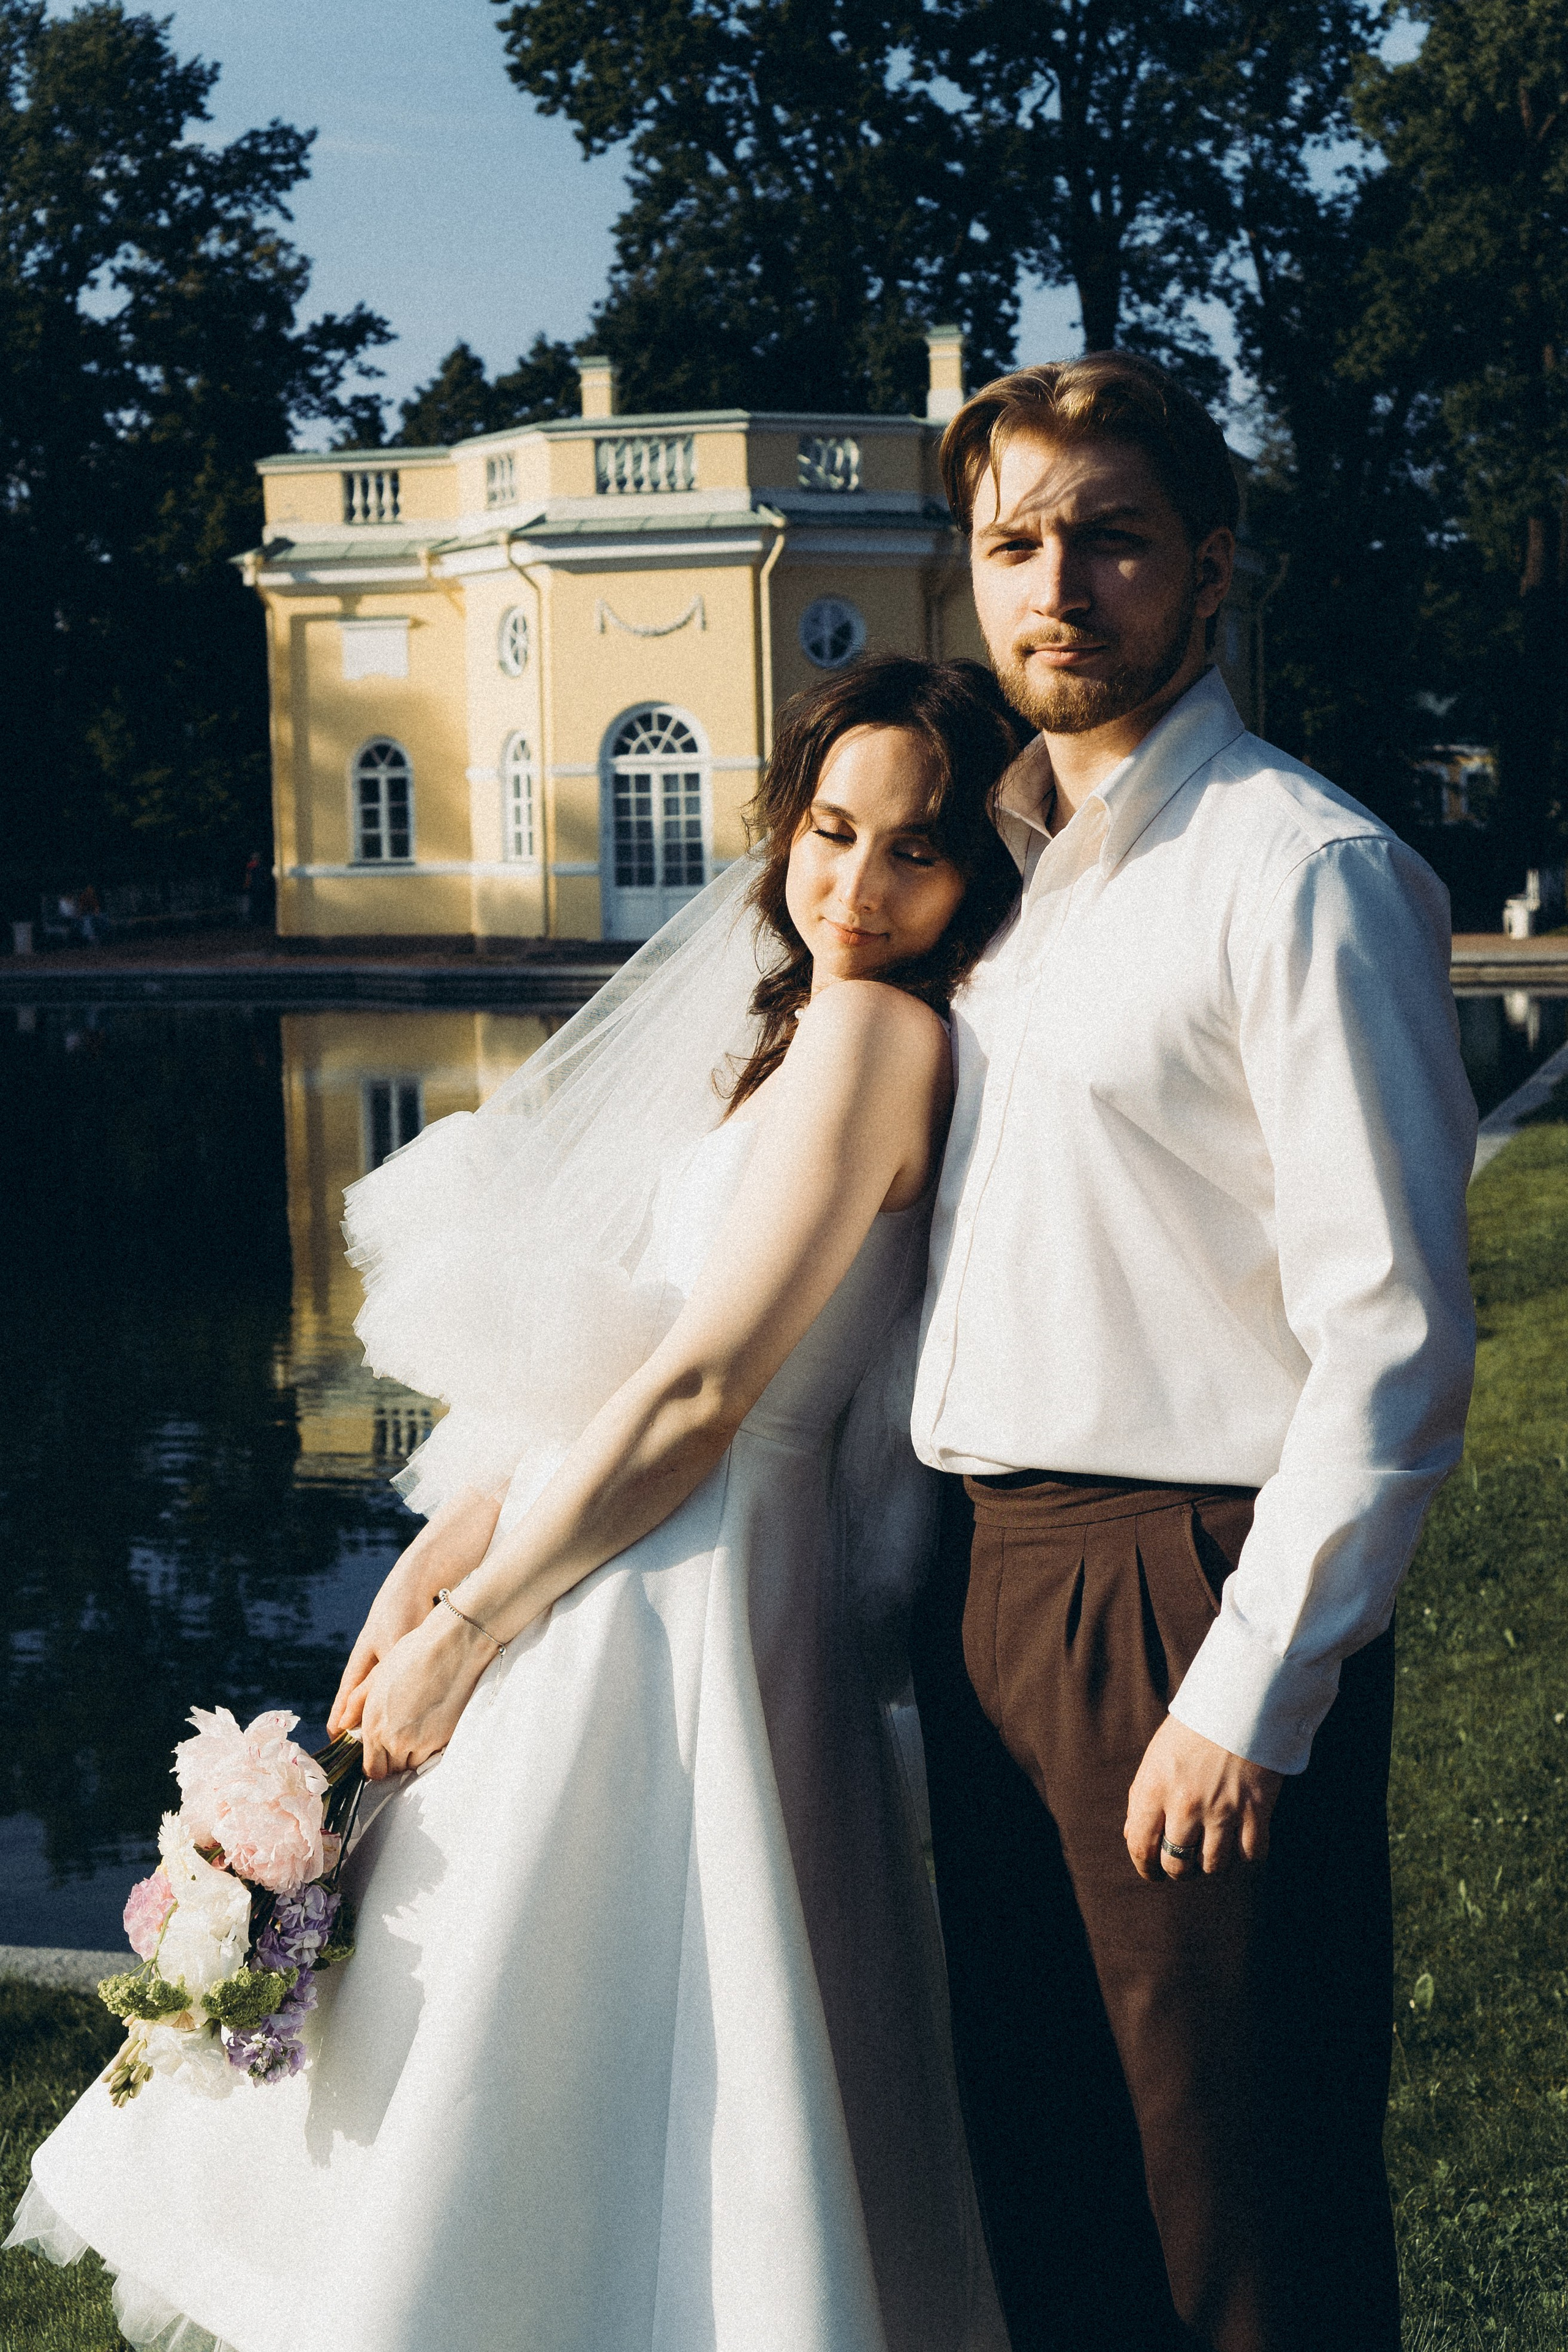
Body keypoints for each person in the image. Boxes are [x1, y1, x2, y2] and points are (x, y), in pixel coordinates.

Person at [6, 657, 1027, 2352]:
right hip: (619, 1535)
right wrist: (439, 1555)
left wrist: (473, 1628)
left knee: (565, 2018)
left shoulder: (875, 1034)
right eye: (832, 830)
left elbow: (706, 1391)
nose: (857, 885)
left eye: (916, 851)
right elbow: (622, 1357)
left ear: (975, 875)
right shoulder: (799, 1033)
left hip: (689, 1577)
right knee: (544, 2015)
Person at [908, 353, 1477, 2352]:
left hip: (1178, 1587)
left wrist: (1248, 1687)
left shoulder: (1300, 874)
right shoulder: (1000, 875)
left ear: (1212, 568)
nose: (1059, 585)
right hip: (986, 1582)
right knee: (1050, 2188)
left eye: (1114, 540)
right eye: (1014, 544)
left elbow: (1394, 1336)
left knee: (1238, 2206)